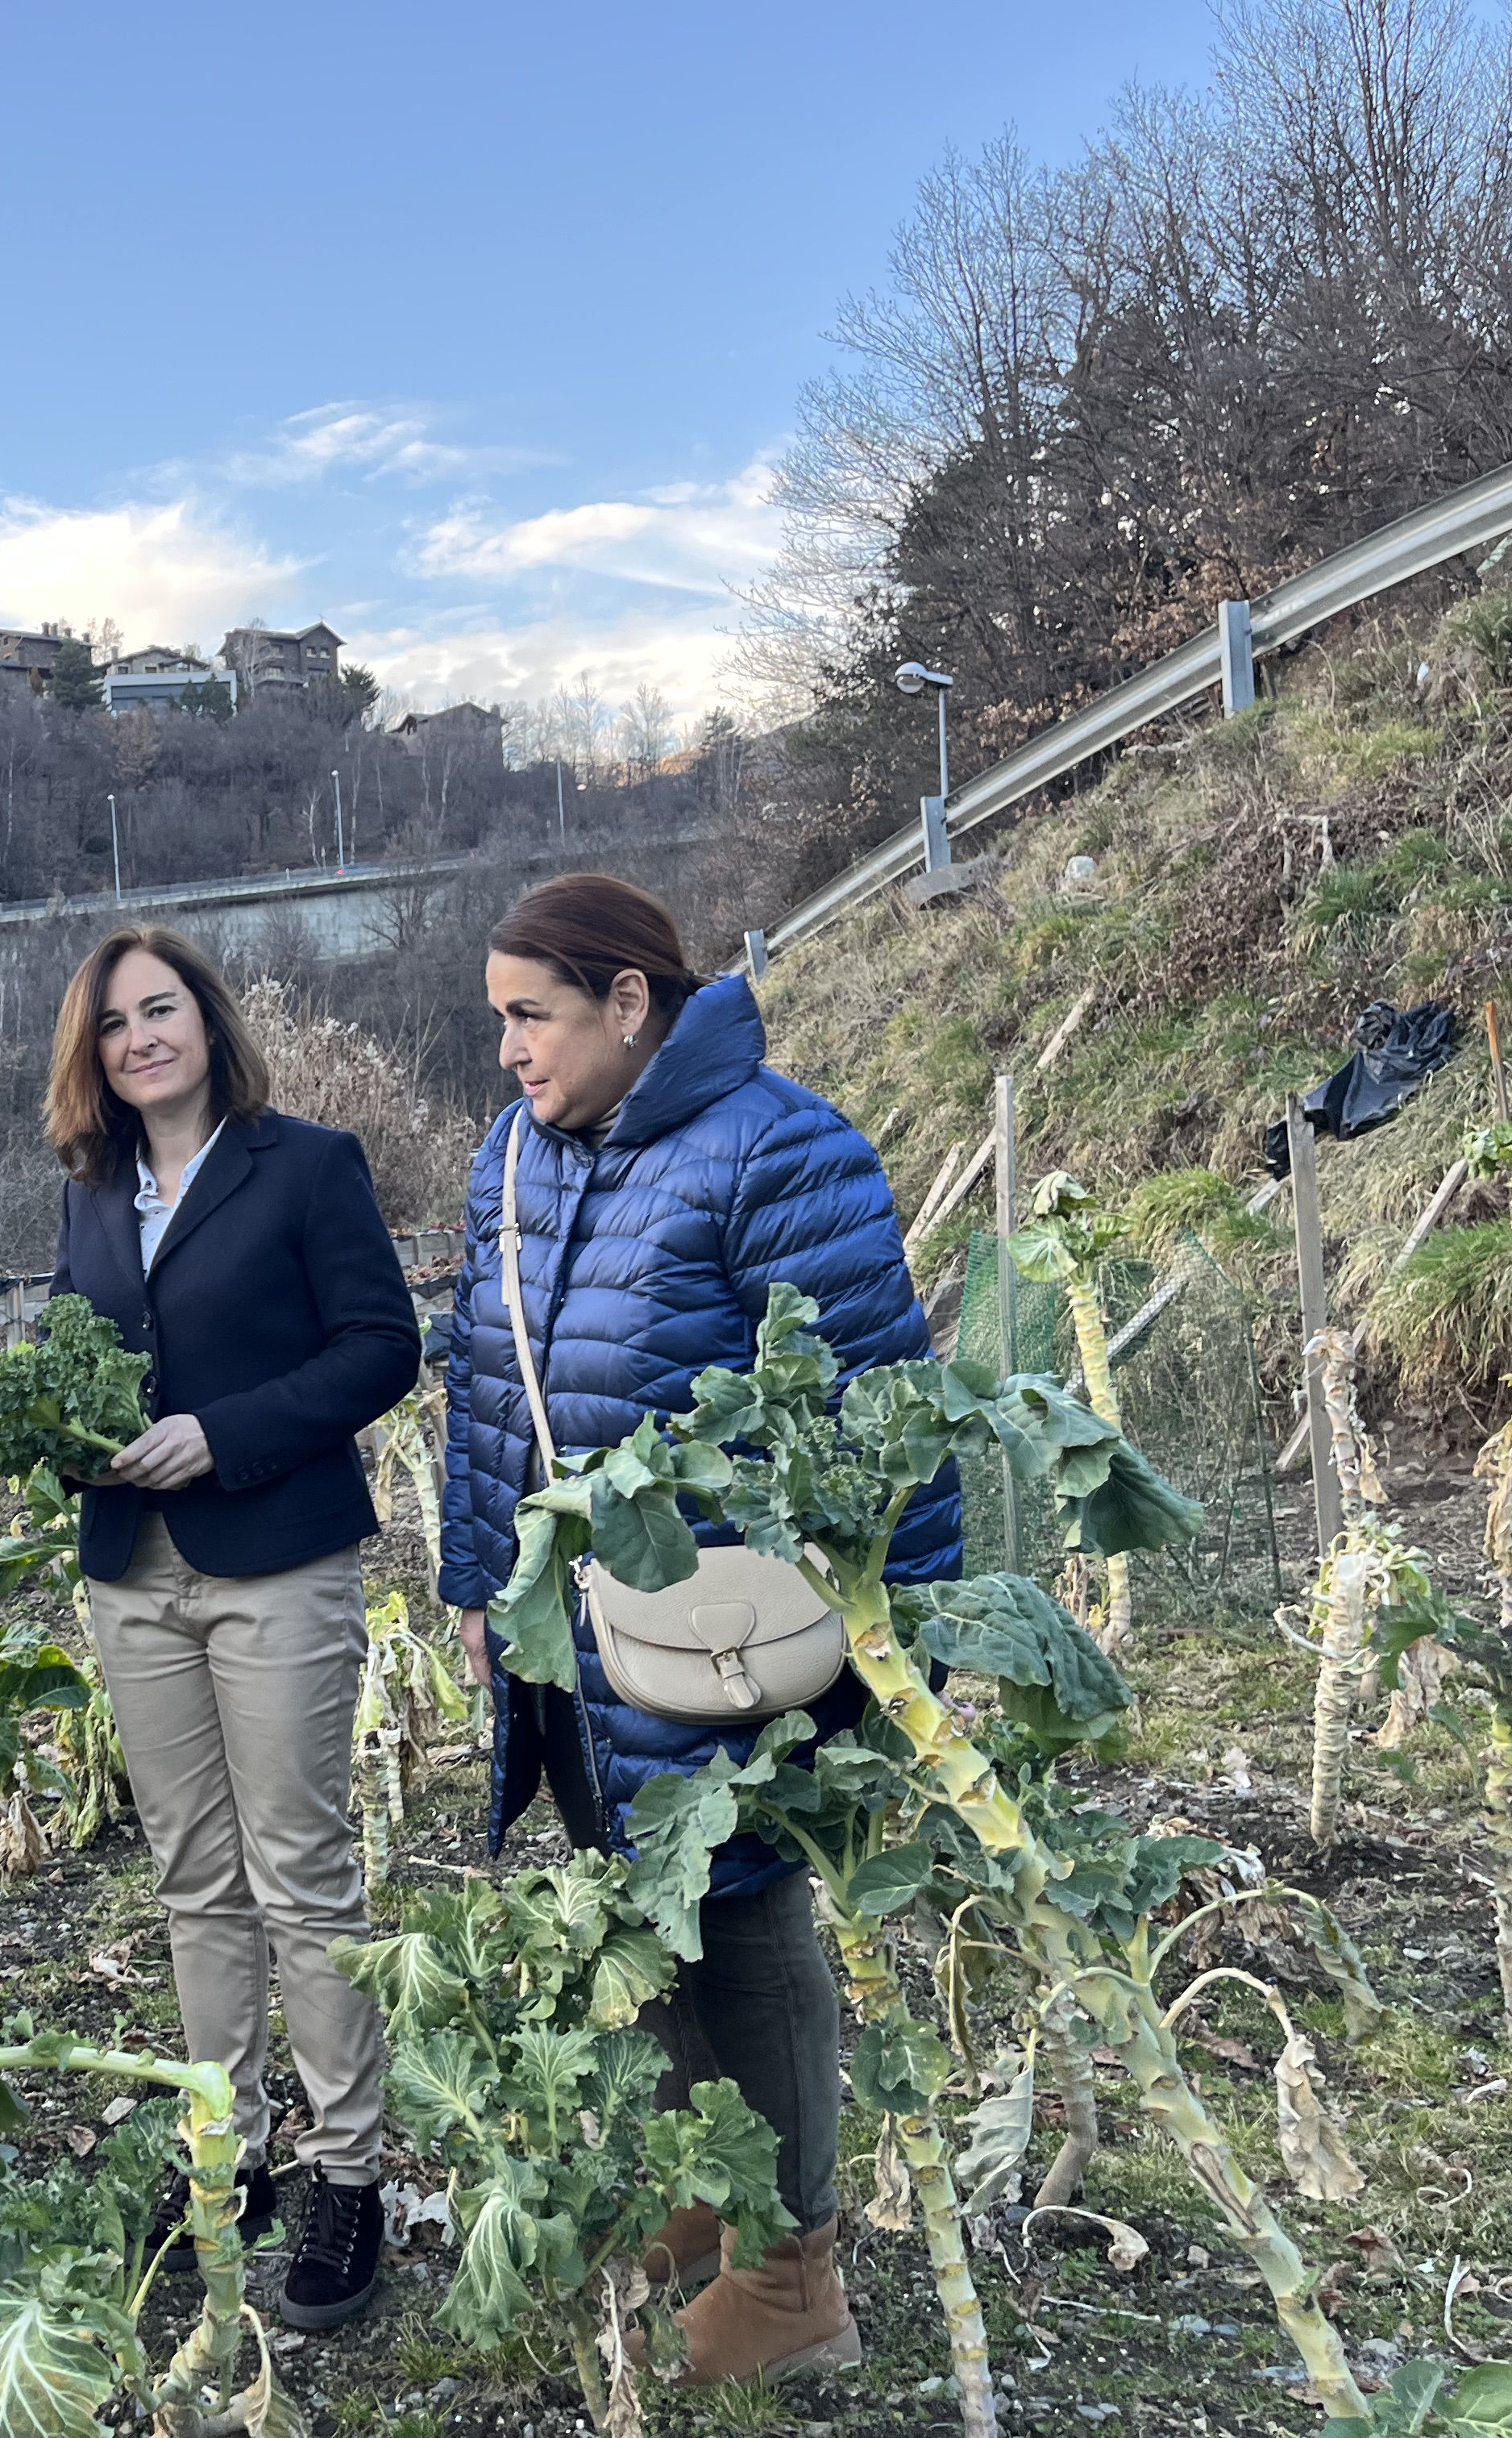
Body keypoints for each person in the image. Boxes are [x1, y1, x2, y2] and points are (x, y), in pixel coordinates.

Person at [438, 874, 957, 2385]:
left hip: (732, 1638)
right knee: (636, 1901)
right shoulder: (517, 1158)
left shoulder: (783, 1148)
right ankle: (709, 2190)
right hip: (576, 1638)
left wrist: (901, 1639)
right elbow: (485, 1391)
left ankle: (796, 2280)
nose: (511, 1052)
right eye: (499, 1022)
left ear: (627, 1001)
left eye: (530, 1016)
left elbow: (879, 1409)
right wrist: (482, 1580)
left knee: (740, 1913)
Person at [42, 927, 421, 2333]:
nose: (141, 1038)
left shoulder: (305, 1165)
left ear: (206, 1020)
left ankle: (348, 2168)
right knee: (194, 1873)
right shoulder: (88, 1192)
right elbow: (79, 1358)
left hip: (274, 1559)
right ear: (91, 1053)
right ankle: (233, 2142)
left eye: (162, 1010)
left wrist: (226, 1435)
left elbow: (383, 1346)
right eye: (114, 1023)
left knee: (303, 1871)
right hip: (132, 1569)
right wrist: (68, 1432)